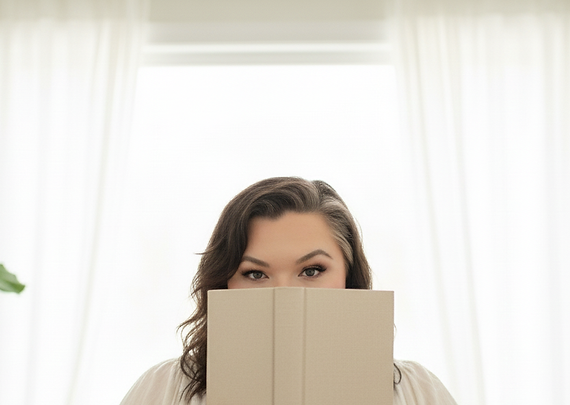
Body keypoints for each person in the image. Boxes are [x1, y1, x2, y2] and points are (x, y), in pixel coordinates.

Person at [120, 177, 457, 405]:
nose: (285, 296)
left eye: (312, 270)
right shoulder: (163, 390)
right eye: (254, 273)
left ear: (349, 277)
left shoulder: (417, 392)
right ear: (223, 283)